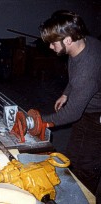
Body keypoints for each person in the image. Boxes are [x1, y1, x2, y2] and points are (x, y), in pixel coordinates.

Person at [39, 10, 101, 200]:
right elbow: (76, 78)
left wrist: (40, 121)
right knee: (72, 156)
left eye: (52, 42)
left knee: (87, 165)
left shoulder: (87, 68)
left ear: (67, 40)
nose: (50, 46)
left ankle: (84, 198)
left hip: (96, 116)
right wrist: (66, 94)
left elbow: (72, 114)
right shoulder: (85, 42)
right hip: (87, 106)